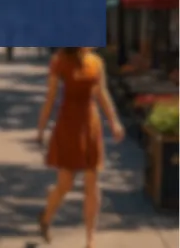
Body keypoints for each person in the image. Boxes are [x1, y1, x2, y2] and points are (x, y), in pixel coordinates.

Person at [36, 47, 125, 248]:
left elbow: (102, 93)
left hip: (90, 125)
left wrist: (114, 122)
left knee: (92, 183)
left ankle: (90, 239)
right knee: (65, 184)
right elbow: (50, 97)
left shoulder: (96, 62)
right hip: (68, 125)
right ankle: (46, 217)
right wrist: (41, 128)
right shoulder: (60, 60)